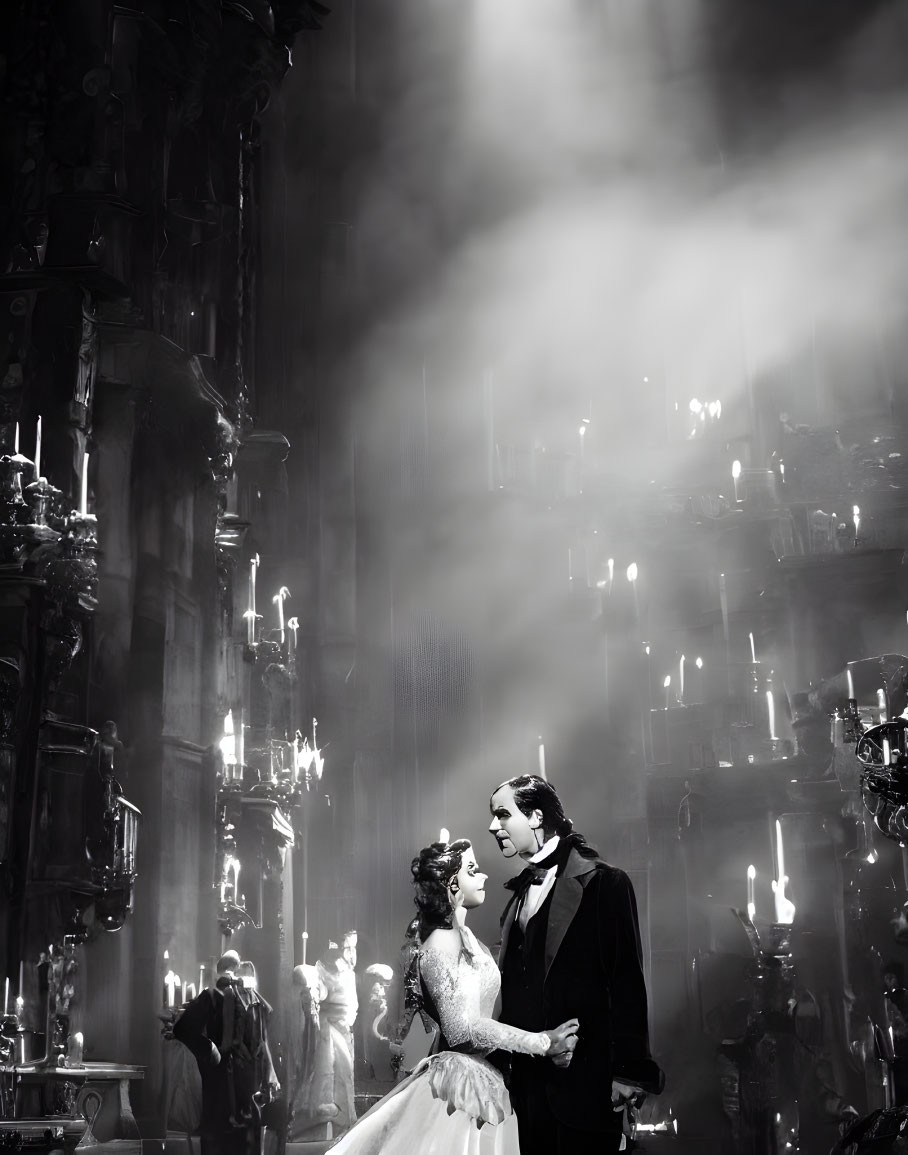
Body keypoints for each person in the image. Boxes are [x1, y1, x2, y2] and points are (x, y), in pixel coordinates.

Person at [326, 838, 579, 1154]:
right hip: (459, 1089)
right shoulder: (441, 943)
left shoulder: (472, 941)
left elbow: (495, 1014)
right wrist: (540, 1042)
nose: (483, 876)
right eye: (472, 870)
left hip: (489, 1081)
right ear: (452, 885)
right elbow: (463, 1031)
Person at [489, 774, 664, 1155]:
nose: (493, 826)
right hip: (526, 1095)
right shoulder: (517, 894)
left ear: (535, 816)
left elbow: (626, 981)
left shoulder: (606, 884)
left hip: (588, 1087)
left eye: (503, 815)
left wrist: (629, 1071)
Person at [172, 950, 280, 1155]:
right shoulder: (214, 998)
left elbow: (263, 1042)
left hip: (247, 1096)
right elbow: (183, 1029)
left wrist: (268, 1078)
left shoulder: (256, 1002)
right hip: (223, 1093)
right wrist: (211, 1051)